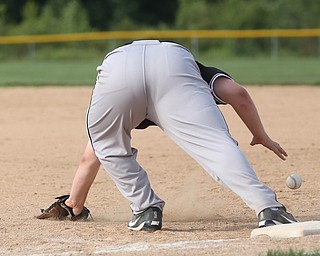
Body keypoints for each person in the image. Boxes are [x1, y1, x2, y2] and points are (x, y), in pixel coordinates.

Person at [64, 40, 297, 231]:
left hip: (118, 68)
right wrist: (260, 134)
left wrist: (74, 203)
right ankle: (269, 208)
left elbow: (94, 152)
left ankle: (146, 210)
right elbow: (237, 93)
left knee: (107, 144)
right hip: (174, 64)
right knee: (216, 145)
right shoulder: (197, 69)